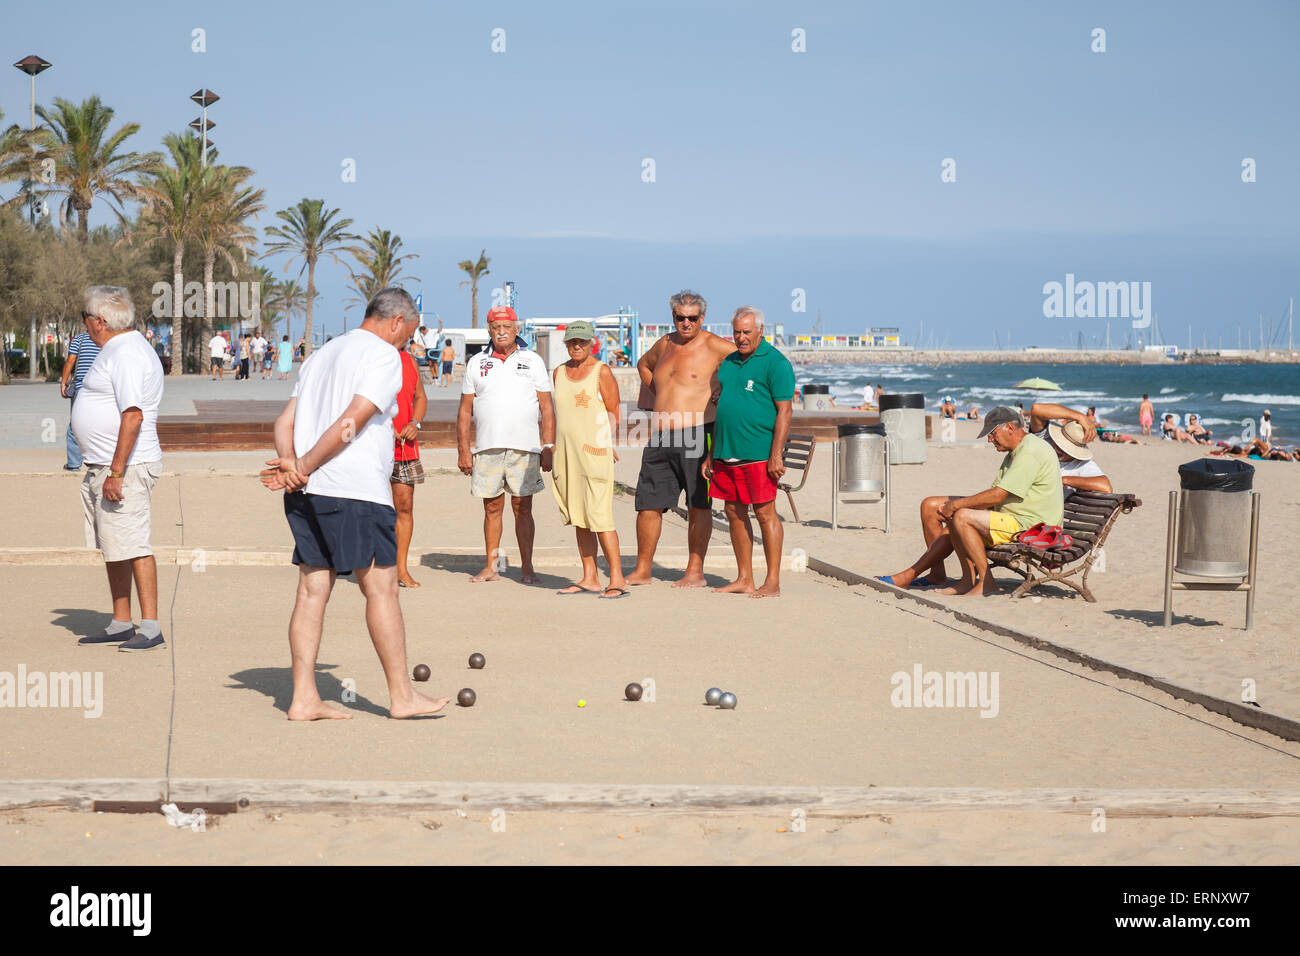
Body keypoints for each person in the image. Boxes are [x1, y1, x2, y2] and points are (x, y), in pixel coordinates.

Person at [260, 287, 448, 720]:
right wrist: (302, 464)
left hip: (307, 493)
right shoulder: (382, 356)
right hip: (354, 490)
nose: (408, 344)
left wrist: (291, 465)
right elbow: (354, 420)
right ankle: (402, 695)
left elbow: (283, 420)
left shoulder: (322, 354)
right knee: (380, 588)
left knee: (312, 589)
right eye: (410, 333)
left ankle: (304, 697)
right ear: (397, 321)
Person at [71, 286, 167, 651]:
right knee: (114, 543)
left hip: (126, 467)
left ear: (99, 321)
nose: (84, 324)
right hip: (105, 464)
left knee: (134, 543)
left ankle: (152, 627)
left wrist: (116, 471)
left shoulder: (126, 353)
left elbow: (133, 415)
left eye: (85, 317)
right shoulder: (117, 349)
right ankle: (120, 622)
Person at [879, 407, 1062, 597]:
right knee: (930, 506)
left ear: (1009, 427)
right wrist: (955, 506)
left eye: (992, 434)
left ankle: (983, 582)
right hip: (1010, 516)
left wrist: (957, 505)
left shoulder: (1030, 451)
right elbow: (996, 495)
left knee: (961, 516)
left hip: (1031, 526)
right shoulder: (1015, 452)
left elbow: (997, 495)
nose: (989, 440)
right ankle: (938, 574)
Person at [625, 290, 734, 588]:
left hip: (699, 431)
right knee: (648, 503)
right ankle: (643, 570)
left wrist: (727, 390)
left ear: (703, 318)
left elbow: (749, 361)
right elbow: (643, 365)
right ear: (673, 316)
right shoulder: (665, 343)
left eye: (692, 318)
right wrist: (658, 392)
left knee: (698, 504)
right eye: (680, 317)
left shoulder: (716, 345)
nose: (685, 323)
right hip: (660, 434)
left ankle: (695, 572)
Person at [457, 305, 555, 584]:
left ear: (516, 329)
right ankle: (492, 567)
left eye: (507, 327)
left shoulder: (532, 360)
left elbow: (547, 407)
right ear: (489, 329)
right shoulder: (477, 362)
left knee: (523, 508)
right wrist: (464, 450)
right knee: (492, 508)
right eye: (496, 327)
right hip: (487, 448)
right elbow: (465, 410)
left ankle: (527, 567)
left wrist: (548, 446)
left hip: (525, 449)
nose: (501, 331)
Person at [703, 307, 794, 599]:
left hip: (759, 452)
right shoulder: (728, 363)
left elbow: (785, 411)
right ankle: (744, 577)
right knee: (732, 510)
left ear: (760, 331)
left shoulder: (776, 363)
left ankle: (773, 581)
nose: (741, 338)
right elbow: (721, 407)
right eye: (737, 332)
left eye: (746, 332)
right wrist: (711, 454)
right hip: (726, 451)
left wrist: (776, 454)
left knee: (765, 512)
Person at [551, 320, 627, 599]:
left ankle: (617, 578)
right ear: (566, 344)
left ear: (591, 342)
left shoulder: (601, 371)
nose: (577, 346)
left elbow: (614, 409)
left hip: (594, 454)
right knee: (578, 516)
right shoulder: (559, 372)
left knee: (600, 516)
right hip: (566, 454)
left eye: (582, 341)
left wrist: (606, 442)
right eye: (572, 342)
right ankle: (590, 576)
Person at [391, 340, 427, 589]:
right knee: (366, 508)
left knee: (404, 507)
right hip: (370, 449)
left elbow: (421, 397)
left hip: (405, 448)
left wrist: (415, 423)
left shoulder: (409, 360)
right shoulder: (365, 359)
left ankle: (401, 569)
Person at [59, 329, 101, 471]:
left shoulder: (79, 339)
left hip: (81, 388)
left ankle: (74, 463)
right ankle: (100, 461)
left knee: (75, 424)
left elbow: (71, 360)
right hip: (101, 387)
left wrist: (64, 382)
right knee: (101, 421)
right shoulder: (107, 339)